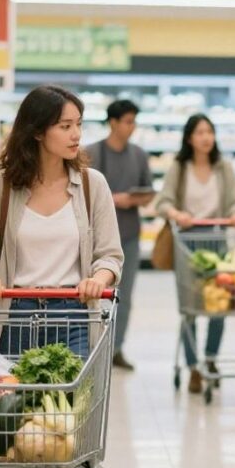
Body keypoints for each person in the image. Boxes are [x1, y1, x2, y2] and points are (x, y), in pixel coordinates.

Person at [0, 84, 124, 468]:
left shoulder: (92, 187)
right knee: (17, 436)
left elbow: (111, 253)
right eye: (65, 126)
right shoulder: (2, 187)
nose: (76, 135)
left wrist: (99, 276)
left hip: (74, 319)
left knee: (66, 437)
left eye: (79, 125)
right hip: (14, 319)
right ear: (37, 132)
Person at [155, 114, 235, 393]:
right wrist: (176, 214)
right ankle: (193, 366)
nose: (206, 137)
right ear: (189, 138)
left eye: (209, 131)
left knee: (218, 305)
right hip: (187, 243)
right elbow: (164, 202)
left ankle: (210, 359)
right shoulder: (179, 168)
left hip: (217, 241)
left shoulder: (224, 168)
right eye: (200, 132)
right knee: (190, 309)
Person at [86, 99, 152, 371]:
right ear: (112, 122)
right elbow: (83, 195)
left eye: (134, 121)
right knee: (96, 295)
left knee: (124, 297)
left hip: (129, 235)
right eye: (127, 121)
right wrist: (115, 199)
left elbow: (148, 194)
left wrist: (135, 199)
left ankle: (117, 348)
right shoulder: (91, 153)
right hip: (96, 240)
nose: (131, 127)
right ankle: (94, 347)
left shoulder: (139, 155)